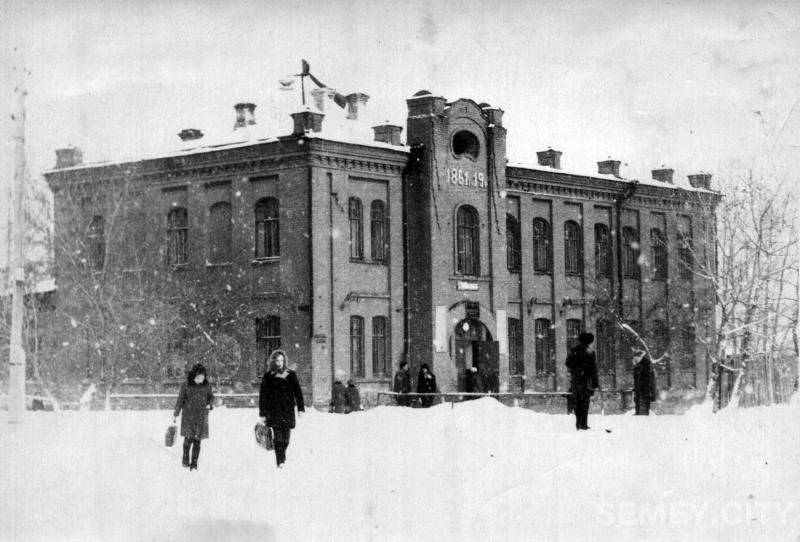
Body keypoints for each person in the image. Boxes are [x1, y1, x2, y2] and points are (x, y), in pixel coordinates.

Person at [259, 349, 305, 468]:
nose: (280, 363)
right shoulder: (268, 376)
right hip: (273, 411)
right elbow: (263, 396)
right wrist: (263, 413)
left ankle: (281, 454)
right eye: (277, 360)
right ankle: (280, 460)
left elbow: (298, 392)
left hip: (288, 410)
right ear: (273, 361)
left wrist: (300, 408)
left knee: (286, 439)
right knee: (278, 436)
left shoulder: (291, 374)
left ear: (284, 361)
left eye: (282, 360)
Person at [173, 363, 214, 470]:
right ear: (194, 375)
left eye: (202, 377)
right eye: (199, 377)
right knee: (188, 440)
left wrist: (210, 404)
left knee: (197, 441)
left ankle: (194, 464)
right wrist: (176, 413)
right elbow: (180, 400)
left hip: (201, 417)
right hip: (188, 416)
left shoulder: (207, 385)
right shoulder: (186, 385)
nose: (201, 379)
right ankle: (185, 461)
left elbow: (211, 397)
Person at [565, 332, 599, 430]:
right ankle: (583, 424)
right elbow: (593, 369)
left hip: (575, 380)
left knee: (577, 402)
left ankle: (578, 423)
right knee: (585, 403)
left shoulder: (573, 350)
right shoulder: (590, 352)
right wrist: (595, 383)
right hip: (586, 381)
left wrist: (576, 369)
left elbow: (567, 363)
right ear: (589, 341)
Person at [632, 348, 657, 415]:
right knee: (643, 411)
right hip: (643, 392)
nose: (634, 359)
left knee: (643, 412)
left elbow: (644, 380)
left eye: (635, 357)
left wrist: (638, 388)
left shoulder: (642, 366)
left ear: (638, 357)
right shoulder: (644, 365)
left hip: (643, 392)